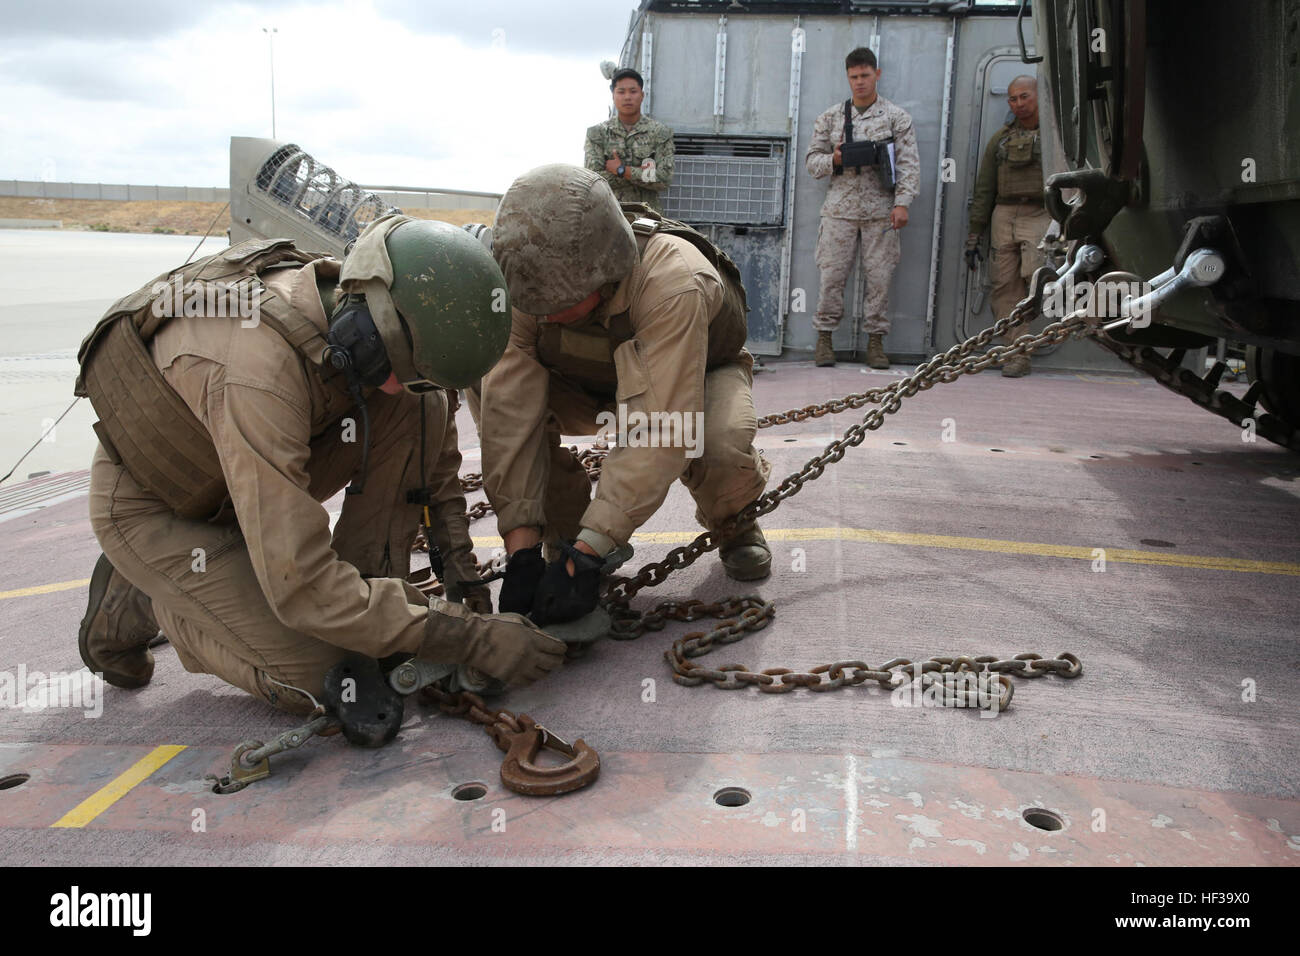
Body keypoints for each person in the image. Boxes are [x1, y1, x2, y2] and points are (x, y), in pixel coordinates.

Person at [75, 216, 565, 717]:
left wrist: (467, 595)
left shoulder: (361, 312)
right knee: (329, 675)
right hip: (165, 508)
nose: (399, 386)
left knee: (420, 408)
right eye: (402, 370)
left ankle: (357, 603)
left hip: (246, 478)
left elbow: (434, 476)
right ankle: (163, 598)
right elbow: (302, 588)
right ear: (368, 332)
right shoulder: (254, 371)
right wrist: (463, 637)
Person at [475, 164, 771, 627]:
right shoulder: (529, 282)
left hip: (695, 374)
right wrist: (520, 549)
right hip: (586, 384)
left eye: (556, 300)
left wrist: (592, 549)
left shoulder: (674, 280)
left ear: (604, 269)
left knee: (717, 442)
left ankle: (734, 522)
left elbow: (662, 428)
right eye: (534, 302)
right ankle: (561, 535)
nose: (542, 312)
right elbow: (508, 416)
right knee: (486, 385)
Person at [805, 47, 920, 370]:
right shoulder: (830, 118)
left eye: (865, 76)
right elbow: (812, 163)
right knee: (831, 276)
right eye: (854, 77)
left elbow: (909, 165)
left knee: (880, 277)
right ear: (848, 77)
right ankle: (825, 338)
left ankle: (875, 342)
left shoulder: (896, 118)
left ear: (877, 74)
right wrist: (835, 159)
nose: (859, 83)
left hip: (881, 211)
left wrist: (902, 204)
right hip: (839, 211)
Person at [965, 75, 1052, 378]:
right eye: (1013, 99)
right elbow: (984, 188)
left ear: (1039, 96)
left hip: (1041, 212)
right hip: (1004, 213)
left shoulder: (1058, 138)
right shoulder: (1001, 140)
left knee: (1035, 275)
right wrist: (974, 236)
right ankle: (1018, 352)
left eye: (1024, 97)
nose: (1019, 104)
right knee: (1004, 285)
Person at [584, 67, 675, 212]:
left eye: (633, 91)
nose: (627, 97)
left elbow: (664, 179)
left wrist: (621, 170)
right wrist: (643, 173)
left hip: (648, 217)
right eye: (621, 92)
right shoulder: (597, 134)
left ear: (642, 95)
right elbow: (594, 180)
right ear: (613, 95)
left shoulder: (660, 133)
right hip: (608, 215)